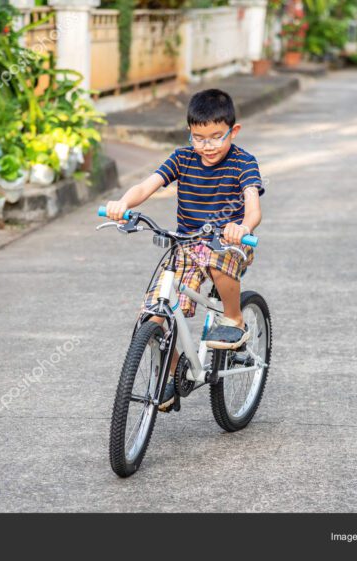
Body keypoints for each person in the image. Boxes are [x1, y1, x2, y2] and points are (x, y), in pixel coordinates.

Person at [104, 88, 264, 410]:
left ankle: (233, 320)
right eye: (198, 138)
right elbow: (147, 186)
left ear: (234, 131)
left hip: (229, 243)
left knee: (220, 263)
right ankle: (176, 374)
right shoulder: (182, 158)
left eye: (217, 137)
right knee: (152, 313)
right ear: (189, 133)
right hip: (188, 244)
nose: (207, 146)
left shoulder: (243, 162)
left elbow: (253, 207)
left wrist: (242, 228)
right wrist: (122, 203)